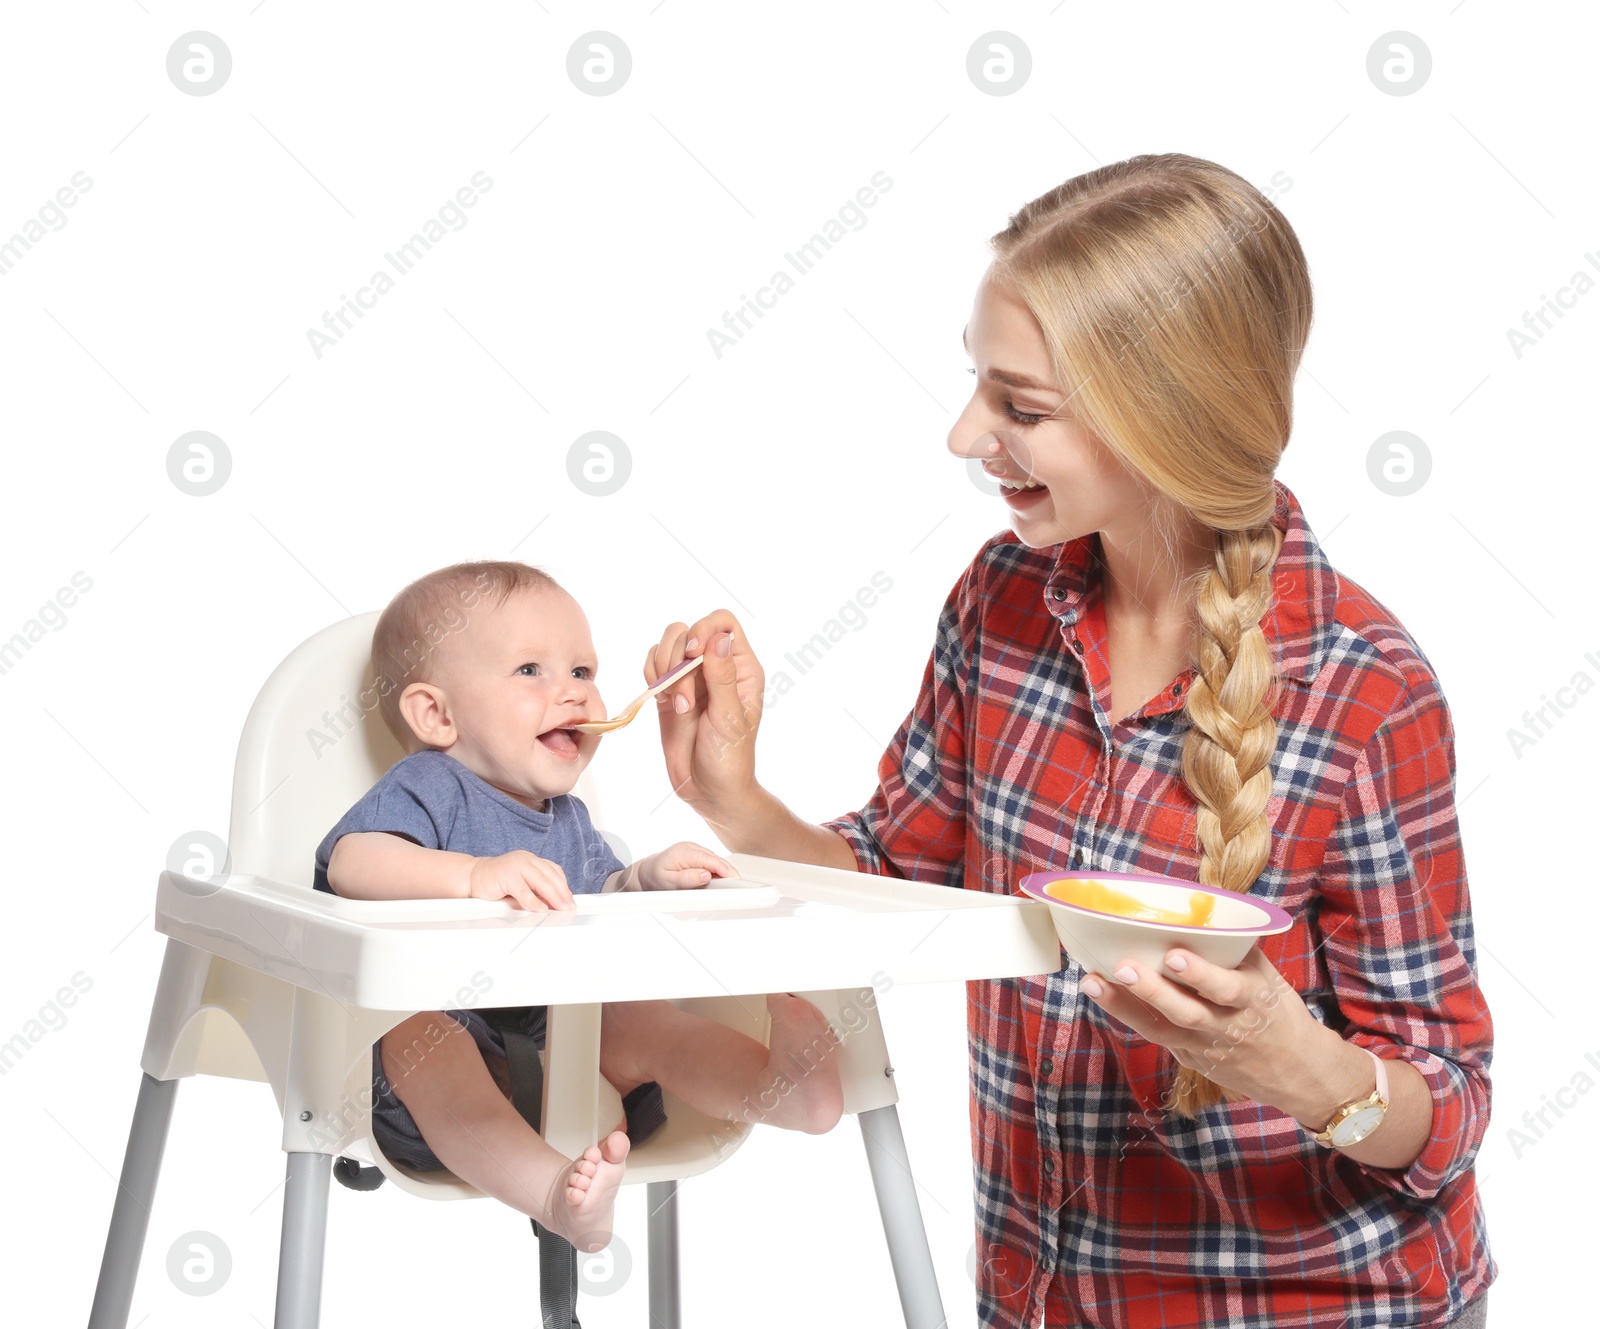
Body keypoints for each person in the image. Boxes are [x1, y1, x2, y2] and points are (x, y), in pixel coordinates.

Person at [641, 154, 1494, 1327]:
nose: (963, 435)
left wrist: (1288, 1061)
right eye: (977, 387)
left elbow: (1445, 1115)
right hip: (1047, 1298)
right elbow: (900, 881)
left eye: (1019, 408)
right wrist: (735, 800)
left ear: (1166, 415)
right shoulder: (1002, 603)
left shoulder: (1363, 691)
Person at [313, 560, 844, 1253]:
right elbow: (352, 861)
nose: (571, 693)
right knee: (421, 1039)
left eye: (583, 671)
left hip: (570, 1074)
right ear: (436, 714)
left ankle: (778, 1088)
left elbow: (598, 899)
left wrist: (646, 878)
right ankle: (553, 1198)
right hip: (429, 1099)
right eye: (531, 670)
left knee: (642, 1017)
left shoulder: (566, 818)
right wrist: (472, 875)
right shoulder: (429, 786)